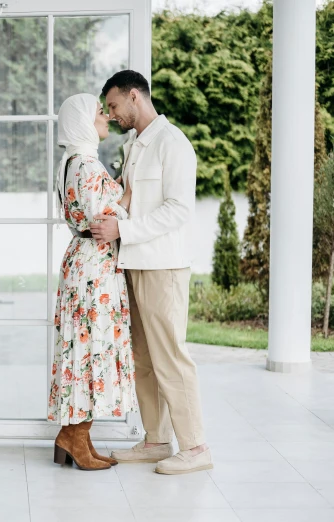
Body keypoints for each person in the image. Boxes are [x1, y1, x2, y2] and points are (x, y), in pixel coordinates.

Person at [90, 70, 214, 475]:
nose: (112, 114)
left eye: (113, 106)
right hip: (134, 264)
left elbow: (178, 209)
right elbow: (132, 199)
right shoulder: (134, 146)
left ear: (133, 97)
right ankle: (157, 441)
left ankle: (195, 448)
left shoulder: (172, 143)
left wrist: (122, 229)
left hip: (164, 267)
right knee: (143, 358)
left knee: (171, 358)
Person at [47, 93, 138, 471]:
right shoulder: (85, 164)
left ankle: (78, 436)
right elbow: (107, 214)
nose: (104, 117)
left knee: (86, 349)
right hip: (92, 268)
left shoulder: (75, 163)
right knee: (90, 348)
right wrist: (129, 187)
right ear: (83, 122)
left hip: (87, 263)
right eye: (99, 112)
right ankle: (72, 436)